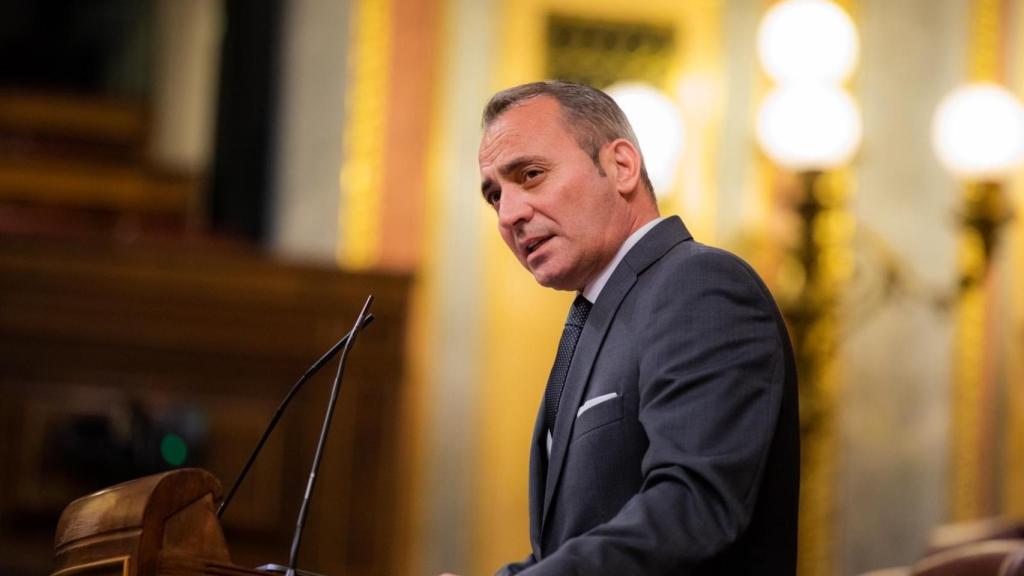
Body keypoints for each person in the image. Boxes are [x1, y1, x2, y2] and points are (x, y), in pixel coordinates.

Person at [470, 80, 800, 575]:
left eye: (531, 175)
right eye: (496, 196)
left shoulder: (698, 286)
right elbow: (571, 543)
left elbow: (692, 507)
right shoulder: (605, 313)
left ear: (621, 166)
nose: (511, 213)